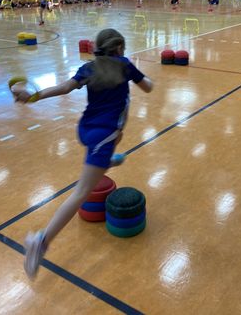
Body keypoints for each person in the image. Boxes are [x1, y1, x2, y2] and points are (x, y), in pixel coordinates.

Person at [20, 28, 153, 279]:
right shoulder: (125, 65)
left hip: (84, 130)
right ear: (118, 48)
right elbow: (147, 87)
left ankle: (107, 161)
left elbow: (64, 88)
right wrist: (146, 80)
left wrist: (33, 97)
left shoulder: (89, 68)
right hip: (102, 137)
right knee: (81, 192)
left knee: (118, 134)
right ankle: (41, 241)